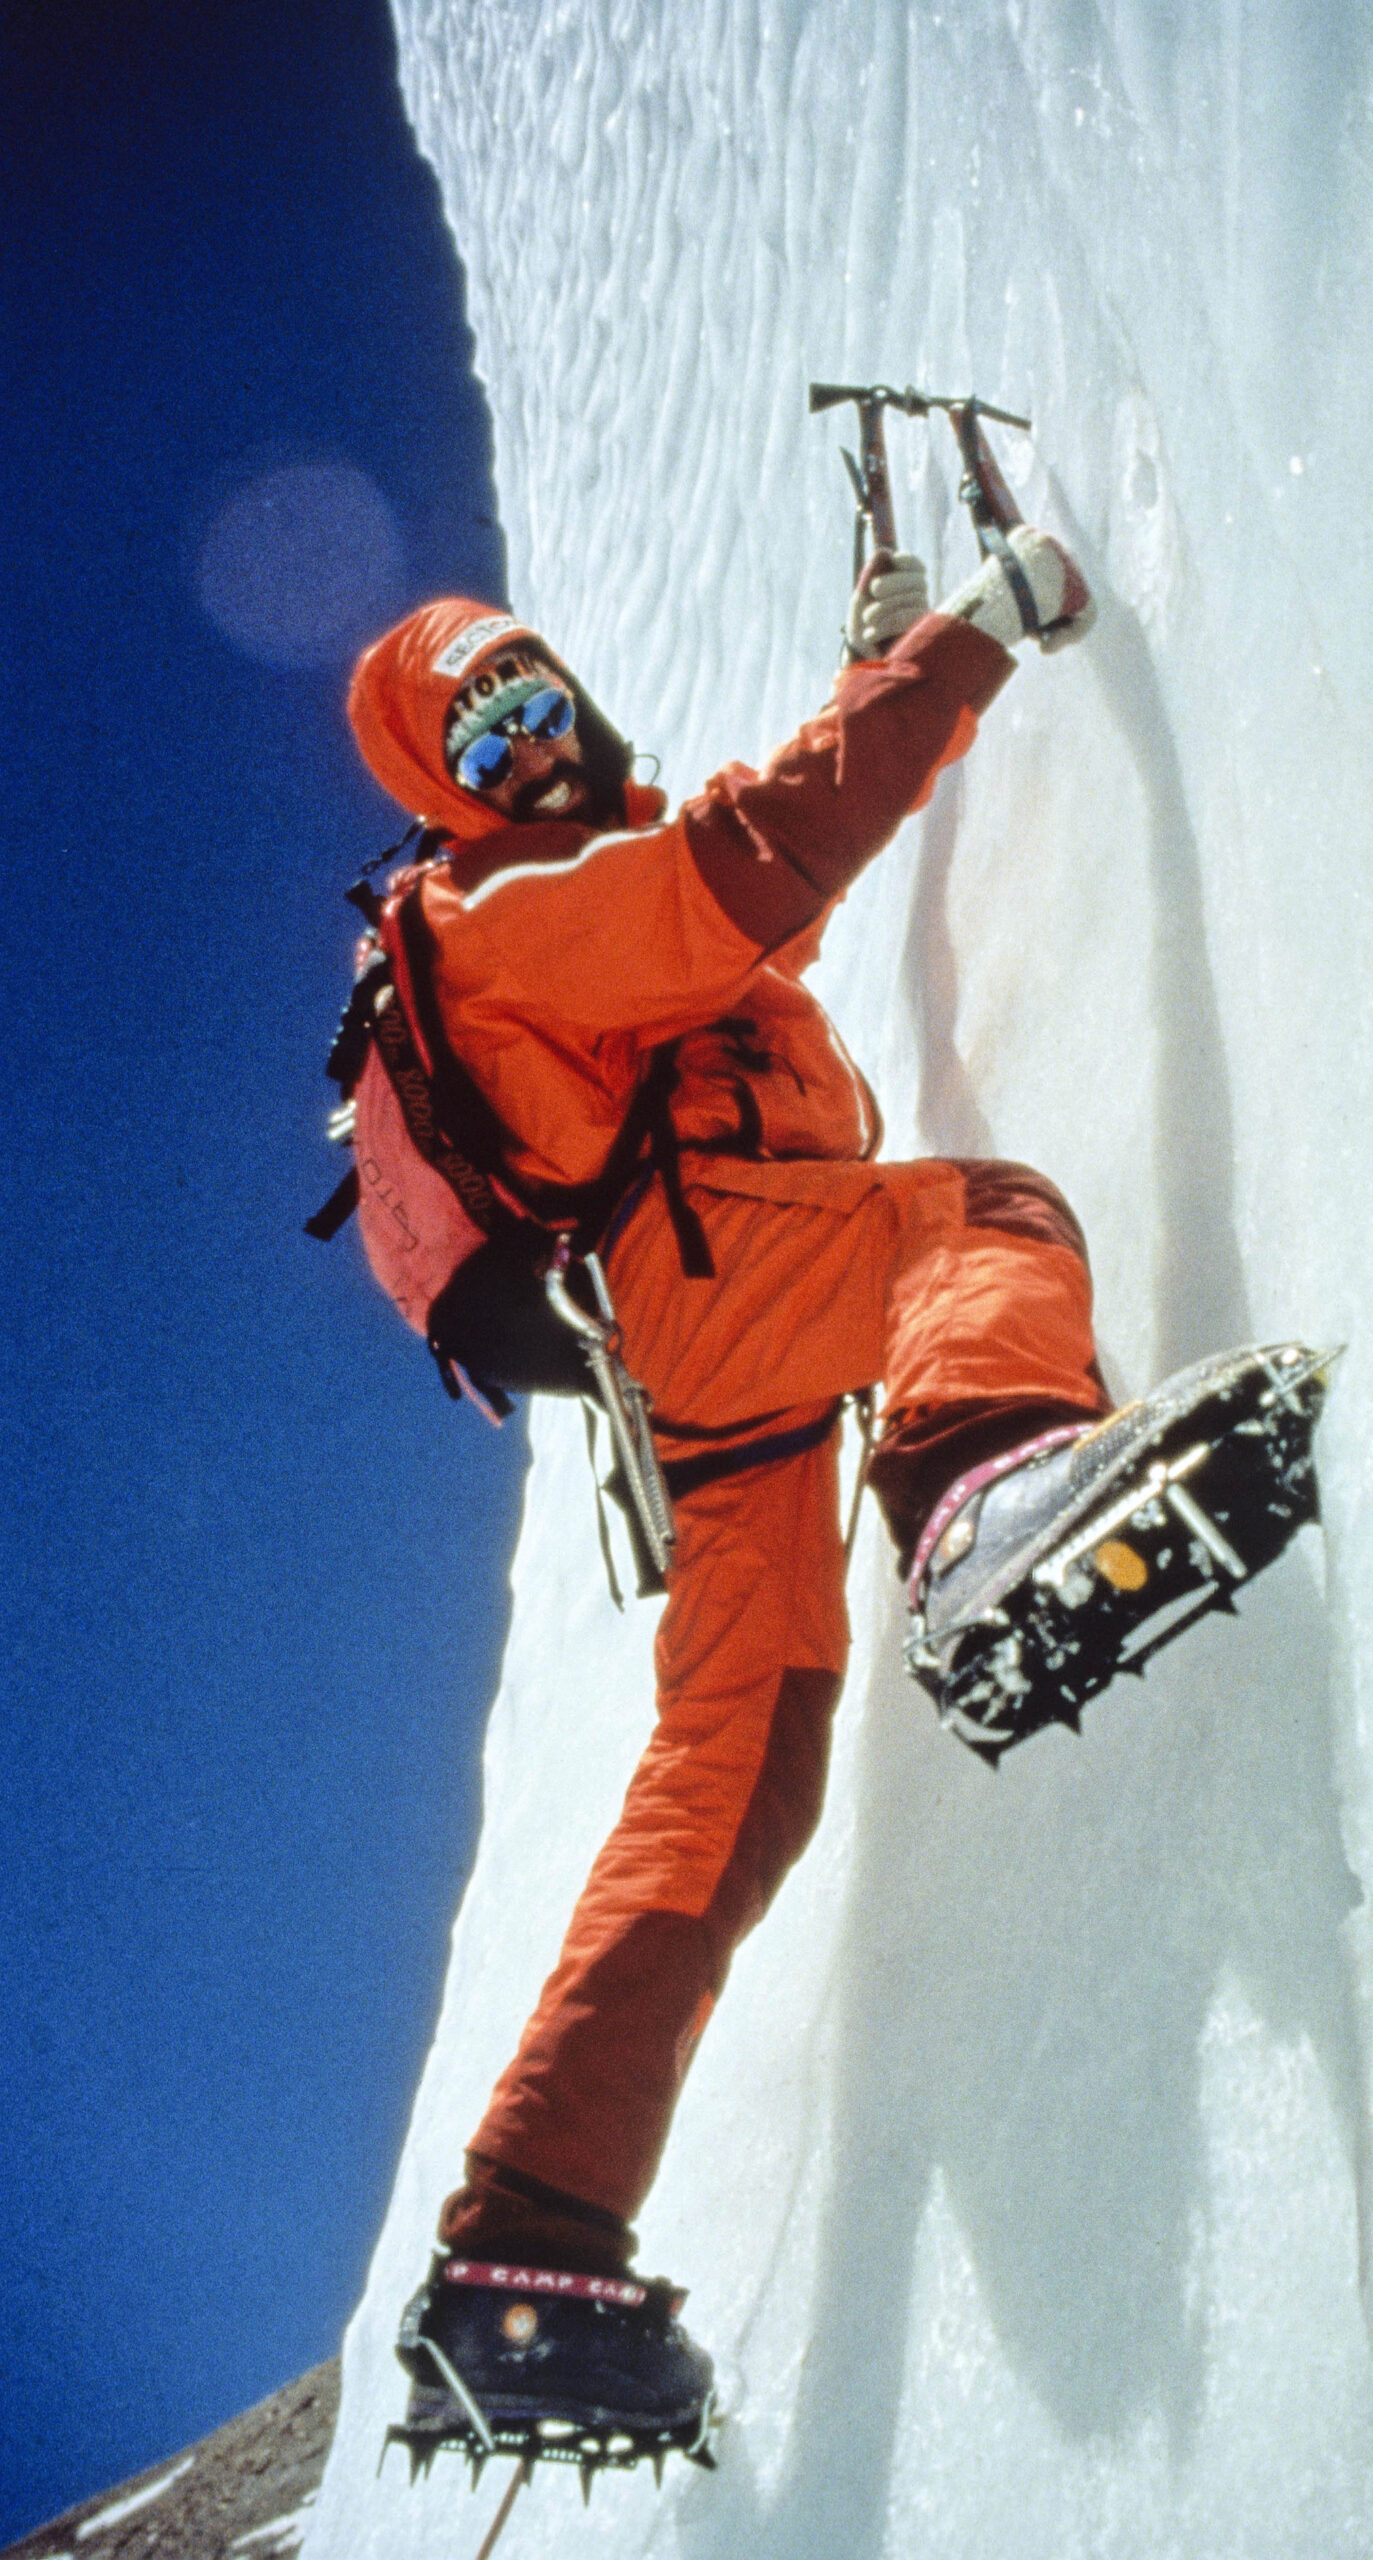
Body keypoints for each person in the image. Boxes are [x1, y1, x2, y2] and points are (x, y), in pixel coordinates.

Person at [347, 524, 1144, 2462]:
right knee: (981, 1223)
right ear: (439, 781)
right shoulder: (497, 918)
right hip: (722, 1267)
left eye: (534, 690)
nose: (529, 738)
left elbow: (727, 899)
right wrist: (958, 648)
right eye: (484, 727)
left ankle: (525, 2245)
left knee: (738, 1757)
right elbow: (749, 863)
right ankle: (980, 1491)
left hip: (699, 1346)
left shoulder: (565, 903)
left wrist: (860, 661)